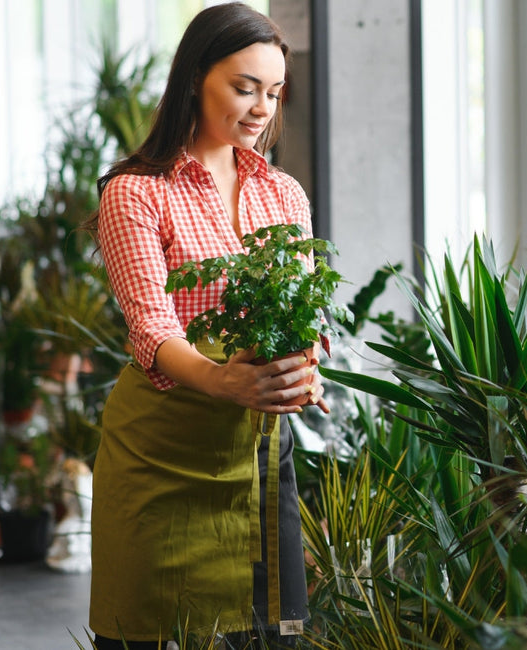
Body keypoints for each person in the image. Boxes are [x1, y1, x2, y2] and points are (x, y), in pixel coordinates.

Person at [85, 4, 326, 648]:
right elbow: (153, 331)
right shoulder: (136, 193)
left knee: (274, 634)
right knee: (153, 634)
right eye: (244, 88)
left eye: (273, 93)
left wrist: (305, 368)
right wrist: (224, 382)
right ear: (195, 78)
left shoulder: (284, 195)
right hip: (161, 456)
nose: (261, 109)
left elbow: (305, 312)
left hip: (256, 449)